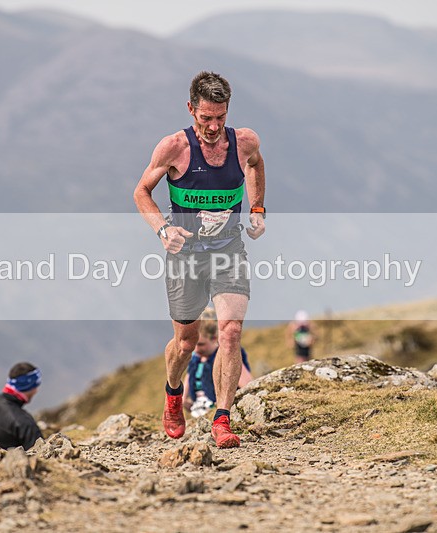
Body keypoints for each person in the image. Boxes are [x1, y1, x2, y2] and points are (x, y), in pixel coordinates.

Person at [133, 71, 266, 448]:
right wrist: (162, 230)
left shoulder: (244, 142)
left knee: (230, 332)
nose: (212, 126)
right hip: (185, 254)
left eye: (220, 117)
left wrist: (257, 208)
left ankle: (221, 420)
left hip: (228, 250)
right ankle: (173, 394)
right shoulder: (174, 147)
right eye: (205, 118)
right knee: (186, 342)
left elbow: (256, 164)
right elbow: (142, 192)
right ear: (191, 109)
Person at [182, 308, 253, 417]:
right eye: (193, 344)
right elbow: (188, 377)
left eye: (201, 344)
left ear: (215, 338)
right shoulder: (195, 360)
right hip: (200, 412)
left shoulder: (227, 356)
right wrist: (183, 400)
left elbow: (248, 384)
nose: (196, 349)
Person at [0, 362, 43, 450]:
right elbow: (38, 454)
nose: (36, 391)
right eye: (35, 386)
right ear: (29, 386)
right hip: (10, 462)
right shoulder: (25, 423)